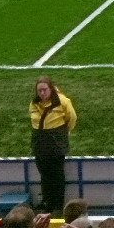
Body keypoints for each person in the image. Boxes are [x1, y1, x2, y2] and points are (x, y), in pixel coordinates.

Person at [31, 77, 77, 212]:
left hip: (56, 142)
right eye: (39, 90)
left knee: (56, 175)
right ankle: (47, 203)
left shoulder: (63, 102)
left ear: (51, 89)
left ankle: (57, 205)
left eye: (44, 90)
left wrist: (63, 133)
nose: (42, 93)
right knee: (44, 175)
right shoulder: (34, 103)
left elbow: (72, 118)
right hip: (39, 143)